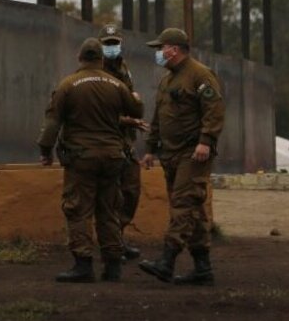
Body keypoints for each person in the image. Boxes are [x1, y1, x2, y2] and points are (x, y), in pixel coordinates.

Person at [37, 37, 142, 283]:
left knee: (78, 209)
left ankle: (83, 264)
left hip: (81, 158)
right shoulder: (116, 84)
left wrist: (45, 151)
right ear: (101, 59)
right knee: (109, 210)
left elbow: (53, 122)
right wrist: (137, 99)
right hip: (113, 157)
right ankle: (113, 265)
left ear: (80, 58)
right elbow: (136, 111)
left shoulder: (68, 85)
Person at [138, 28, 226, 286]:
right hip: (171, 153)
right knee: (194, 211)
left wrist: (206, 140)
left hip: (193, 153)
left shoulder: (200, 75)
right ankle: (202, 268)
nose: (158, 53)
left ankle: (167, 260)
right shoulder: (168, 80)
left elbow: (215, 109)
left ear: (173, 49)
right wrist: (151, 148)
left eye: (160, 47)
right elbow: (159, 116)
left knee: (182, 205)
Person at [97, 24, 149, 260]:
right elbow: (99, 111)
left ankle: (118, 237)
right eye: (107, 44)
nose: (111, 48)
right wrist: (129, 120)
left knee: (131, 189)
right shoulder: (96, 71)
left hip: (125, 140)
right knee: (110, 194)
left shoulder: (124, 69)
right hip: (106, 138)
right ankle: (111, 244)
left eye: (114, 43)